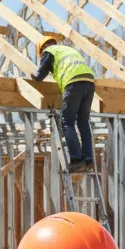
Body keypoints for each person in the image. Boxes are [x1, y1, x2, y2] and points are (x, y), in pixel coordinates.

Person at [34, 36, 96, 171]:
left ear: (43, 47)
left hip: (73, 82)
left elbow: (43, 69)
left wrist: (37, 77)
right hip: (89, 82)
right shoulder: (67, 50)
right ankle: (88, 158)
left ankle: (76, 158)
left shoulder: (49, 50)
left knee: (67, 121)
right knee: (83, 122)